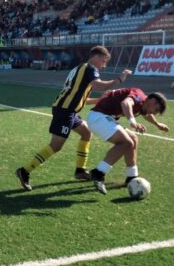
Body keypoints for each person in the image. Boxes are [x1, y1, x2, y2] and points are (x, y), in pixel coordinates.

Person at [15, 46, 131, 191]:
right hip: (65, 111)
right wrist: (119, 80)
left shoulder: (80, 69)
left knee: (86, 133)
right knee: (56, 146)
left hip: (69, 111)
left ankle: (80, 171)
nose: (104, 65)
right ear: (95, 57)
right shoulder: (90, 69)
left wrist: (100, 100)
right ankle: (25, 171)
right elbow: (98, 85)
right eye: (104, 61)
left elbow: (81, 98)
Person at [85, 88, 168, 195]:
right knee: (126, 142)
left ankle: (131, 176)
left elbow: (147, 115)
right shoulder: (138, 96)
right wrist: (133, 122)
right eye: (156, 110)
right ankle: (98, 173)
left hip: (105, 117)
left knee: (133, 138)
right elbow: (125, 103)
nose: (154, 113)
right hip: (98, 117)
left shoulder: (143, 103)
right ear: (152, 101)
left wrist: (157, 124)